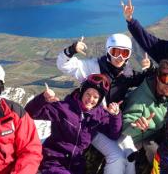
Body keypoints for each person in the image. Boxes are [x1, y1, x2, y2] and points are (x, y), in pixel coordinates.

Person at [56, 33, 153, 173]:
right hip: (93, 124)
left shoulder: (127, 74)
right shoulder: (92, 68)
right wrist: (71, 50)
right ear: (108, 51)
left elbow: (145, 79)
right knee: (117, 157)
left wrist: (149, 68)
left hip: (113, 123)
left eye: (124, 53)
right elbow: (64, 66)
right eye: (115, 52)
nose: (119, 57)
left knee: (131, 155)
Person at [105, 59, 168, 174]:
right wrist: (137, 125)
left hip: (163, 131)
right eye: (165, 79)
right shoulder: (139, 99)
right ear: (157, 77)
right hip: (142, 138)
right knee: (153, 148)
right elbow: (126, 127)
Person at [25, 73, 122, 174]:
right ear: (82, 93)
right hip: (54, 160)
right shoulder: (64, 108)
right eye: (88, 94)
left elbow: (114, 134)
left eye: (95, 97)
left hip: (76, 165)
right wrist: (43, 98)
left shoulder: (98, 115)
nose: (90, 99)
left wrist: (115, 116)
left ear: (100, 100)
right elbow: (30, 113)